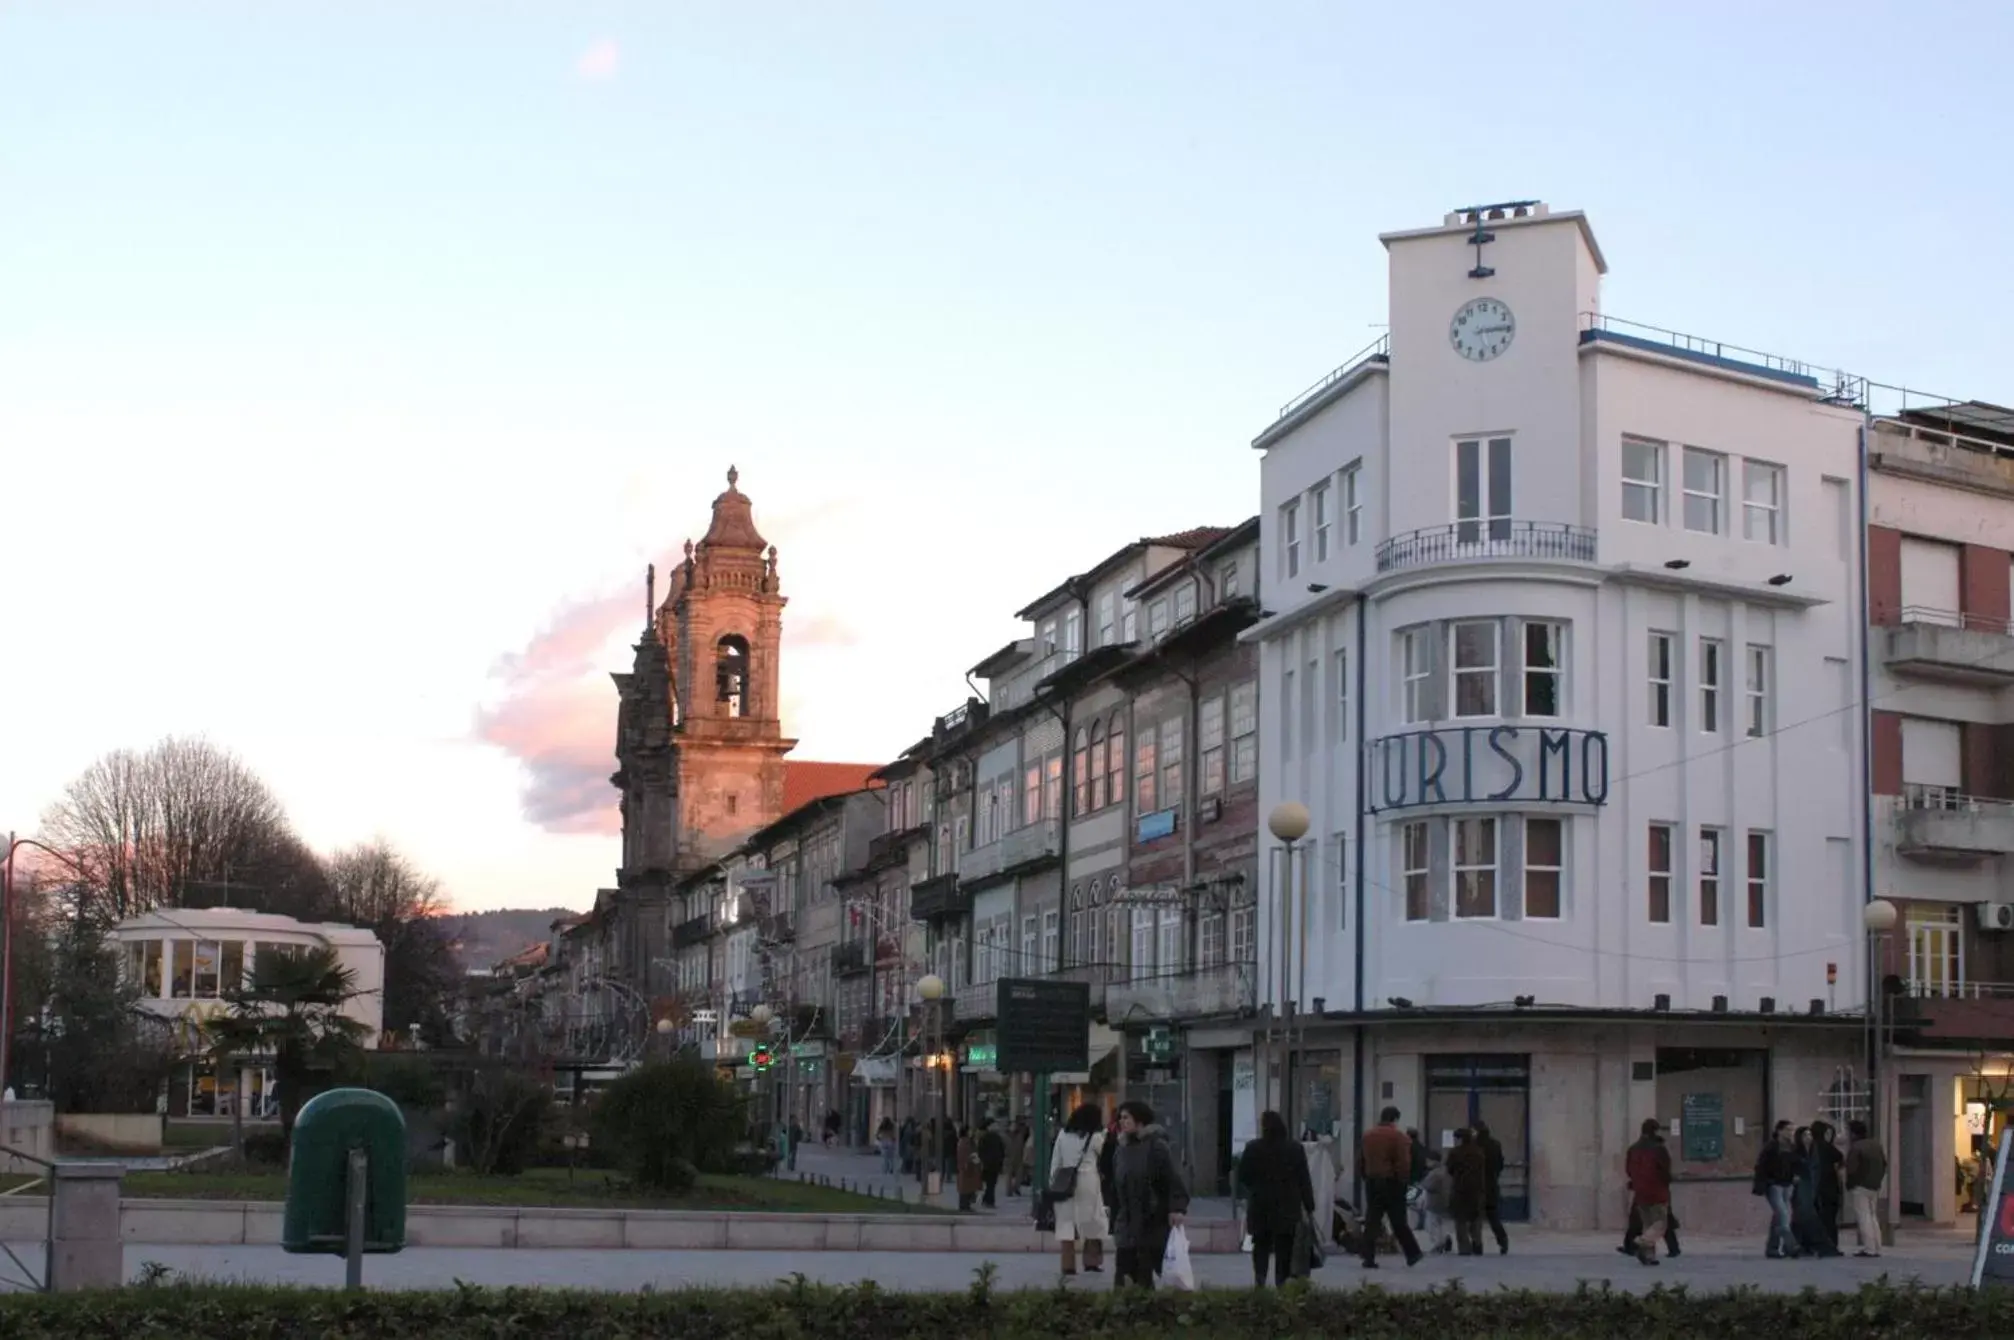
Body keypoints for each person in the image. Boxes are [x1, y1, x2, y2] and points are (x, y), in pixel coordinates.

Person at [1108, 1099, 1189, 1289]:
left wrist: (1176, 1208)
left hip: (1151, 1222)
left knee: (1148, 1272)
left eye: (1126, 1117)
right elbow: (1116, 1186)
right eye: (1120, 1118)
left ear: (1140, 1121)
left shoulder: (1156, 1147)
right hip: (1127, 1222)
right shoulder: (1121, 1150)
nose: (1122, 1121)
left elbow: (1171, 1180)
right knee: (1124, 1274)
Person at [1237, 1109, 1317, 1287]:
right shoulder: (1295, 1149)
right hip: (1287, 1205)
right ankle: (1281, 1282)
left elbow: (1243, 1176)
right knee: (1284, 1247)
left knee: (1261, 1245)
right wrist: (1309, 1205)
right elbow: (1304, 1178)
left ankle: (1260, 1279)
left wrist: (1255, 1188)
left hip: (1261, 1205)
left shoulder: (1253, 1148)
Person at [1358, 1105, 1423, 1268]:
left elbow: (1361, 1160)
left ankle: (1368, 1256)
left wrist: (1366, 1176)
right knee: (1398, 1220)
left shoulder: (1367, 1136)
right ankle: (1412, 1253)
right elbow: (1403, 1162)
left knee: (1372, 1220)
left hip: (1372, 1181)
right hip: (1392, 1182)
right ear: (1395, 1119)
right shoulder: (1398, 1137)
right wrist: (1403, 1181)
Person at [1049, 1103, 1109, 1277]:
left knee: (1066, 1224)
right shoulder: (1097, 1136)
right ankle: (1092, 1262)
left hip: (1065, 1181)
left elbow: (1055, 1161)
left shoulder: (1063, 1134)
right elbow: (1104, 1158)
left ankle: (1068, 1265)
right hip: (1088, 1180)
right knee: (1093, 1222)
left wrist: (1054, 1182)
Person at [1624, 1118, 1673, 1266]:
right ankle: (1642, 1241)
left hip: (1640, 1192)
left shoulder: (1633, 1148)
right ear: (1655, 1131)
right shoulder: (1659, 1149)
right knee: (1660, 1224)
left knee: (1647, 1224)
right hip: (1657, 1191)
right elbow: (1665, 1170)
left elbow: (1628, 1170)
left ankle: (1648, 1256)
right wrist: (1667, 1181)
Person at [1791, 1126, 1840, 1257]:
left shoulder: (1814, 1152)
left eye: (1810, 1135)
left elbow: (1817, 1170)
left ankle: (1804, 1246)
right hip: (1801, 1187)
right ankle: (1818, 1246)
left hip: (1813, 1187)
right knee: (1806, 1217)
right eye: (1805, 1135)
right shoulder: (1796, 1152)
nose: (1808, 1138)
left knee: (1805, 1217)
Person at [1754, 1120, 1798, 1259]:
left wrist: (1796, 1175)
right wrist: (1765, 1182)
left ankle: (1772, 1248)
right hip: (1774, 1185)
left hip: (1788, 1184)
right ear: (1779, 1131)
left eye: (1792, 1130)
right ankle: (1791, 1245)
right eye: (1788, 1130)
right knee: (1783, 1215)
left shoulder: (1792, 1147)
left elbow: (1796, 1163)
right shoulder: (1771, 1147)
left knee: (1779, 1217)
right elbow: (1761, 1166)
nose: (1790, 1133)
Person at [1844, 1119, 1888, 1258]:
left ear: (1853, 1133)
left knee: (1863, 1216)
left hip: (1860, 1185)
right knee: (1872, 1216)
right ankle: (1877, 1246)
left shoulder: (1856, 1147)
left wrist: (1849, 1183)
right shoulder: (1876, 1145)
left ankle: (1869, 1248)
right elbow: (1884, 1163)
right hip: (1874, 1185)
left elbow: (1851, 1168)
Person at [1445, 1128, 1488, 1256]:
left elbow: (1450, 1169)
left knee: (1460, 1220)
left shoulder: (1455, 1153)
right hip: (1477, 1189)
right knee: (1476, 1219)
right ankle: (1477, 1243)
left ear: (1460, 1139)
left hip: (1460, 1189)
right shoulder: (1479, 1152)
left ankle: (1464, 1248)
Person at [1473, 1118, 1510, 1255]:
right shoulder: (1495, 1144)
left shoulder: (1474, 1146)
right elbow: (1500, 1164)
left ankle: (1477, 1245)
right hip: (1492, 1184)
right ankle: (1503, 1241)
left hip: (1477, 1186)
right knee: (1493, 1216)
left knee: (1475, 1218)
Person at [1812, 1121, 1845, 1252]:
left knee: (1819, 1217)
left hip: (1816, 1187)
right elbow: (1840, 1158)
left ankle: (1818, 1244)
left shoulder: (1813, 1147)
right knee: (1829, 1218)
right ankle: (1830, 1244)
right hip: (1829, 1187)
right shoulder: (1826, 1147)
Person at [1418, 1153, 1453, 1254]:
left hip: (1434, 1201)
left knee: (1431, 1224)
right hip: (1445, 1200)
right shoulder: (1446, 1171)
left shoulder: (1435, 1173)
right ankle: (1444, 1239)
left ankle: (1439, 1243)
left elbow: (1426, 1184)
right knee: (1441, 1223)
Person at [977, 1118, 1006, 1209]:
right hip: (990, 1164)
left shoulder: (996, 1137)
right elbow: (981, 1150)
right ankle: (989, 1200)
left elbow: (1001, 1150)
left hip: (993, 1164)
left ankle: (987, 1199)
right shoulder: (986, 1137)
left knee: (991, 1184)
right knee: (991, 1184)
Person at [955, 1124, 983, 1212]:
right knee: (966, 1188)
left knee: (965, 1187)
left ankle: (964, 1204)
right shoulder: (966, 1142)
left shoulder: (961, 1142)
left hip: (965, 1167)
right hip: (967, 1167)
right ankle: (964, 1205)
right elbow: (969, 1154)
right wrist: (974, 1160)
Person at [1004, 1119, 1029, 1198]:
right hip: (1009, 1158)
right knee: (1009, 1175)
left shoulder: (1020, 1135)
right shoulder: (1006, 1136)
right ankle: (1009, 1190)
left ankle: (1015, 1188)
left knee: (1019, 1176)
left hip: (1018, 1157)